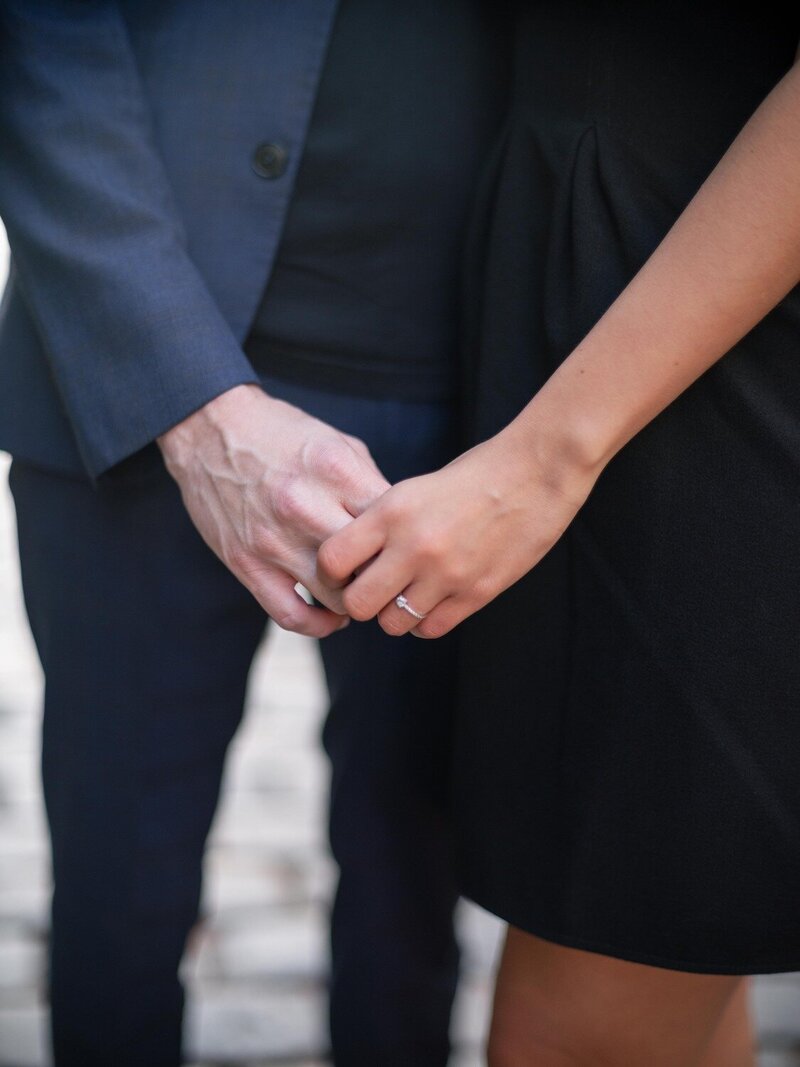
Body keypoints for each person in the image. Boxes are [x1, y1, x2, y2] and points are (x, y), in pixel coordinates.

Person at [0, 2, 507, 1064]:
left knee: (416, 897)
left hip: (483, 395)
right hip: (126, 368)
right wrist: (188, 401)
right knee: (116, 899)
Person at [317, 4, 800, 1064]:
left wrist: (546, 457)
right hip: (606, 349)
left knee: (578, 1016)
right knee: (662, 967)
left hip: (695, 382)